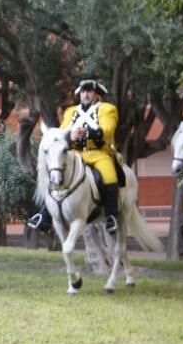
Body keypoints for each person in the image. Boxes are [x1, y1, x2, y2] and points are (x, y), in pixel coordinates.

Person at [27, 79, 119, 234]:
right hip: (75, 153)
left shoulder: (107, 109)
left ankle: (111, 216)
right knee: (54, 174)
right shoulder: (71, 112)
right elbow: (62, 132)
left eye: (89, 91)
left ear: (97, 94)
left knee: (109, 176)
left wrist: (86, 133)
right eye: (83, 91)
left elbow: (108, 130)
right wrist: (71, 135)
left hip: (98, 153)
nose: (86, 94)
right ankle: (44, 216)